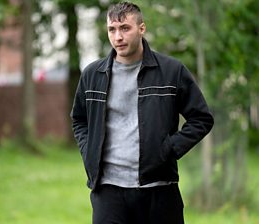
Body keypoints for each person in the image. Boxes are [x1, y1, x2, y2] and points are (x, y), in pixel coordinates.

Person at [70, 2, 214, 224]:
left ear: (142, 28)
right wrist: (89, 150)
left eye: (125, 28)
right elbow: (79, 119)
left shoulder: (171, 71)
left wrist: (168, 149)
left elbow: (201, 119)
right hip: (108, 191)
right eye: (112, 29)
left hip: (159, 190)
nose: (118, 37)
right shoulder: (92, 74)